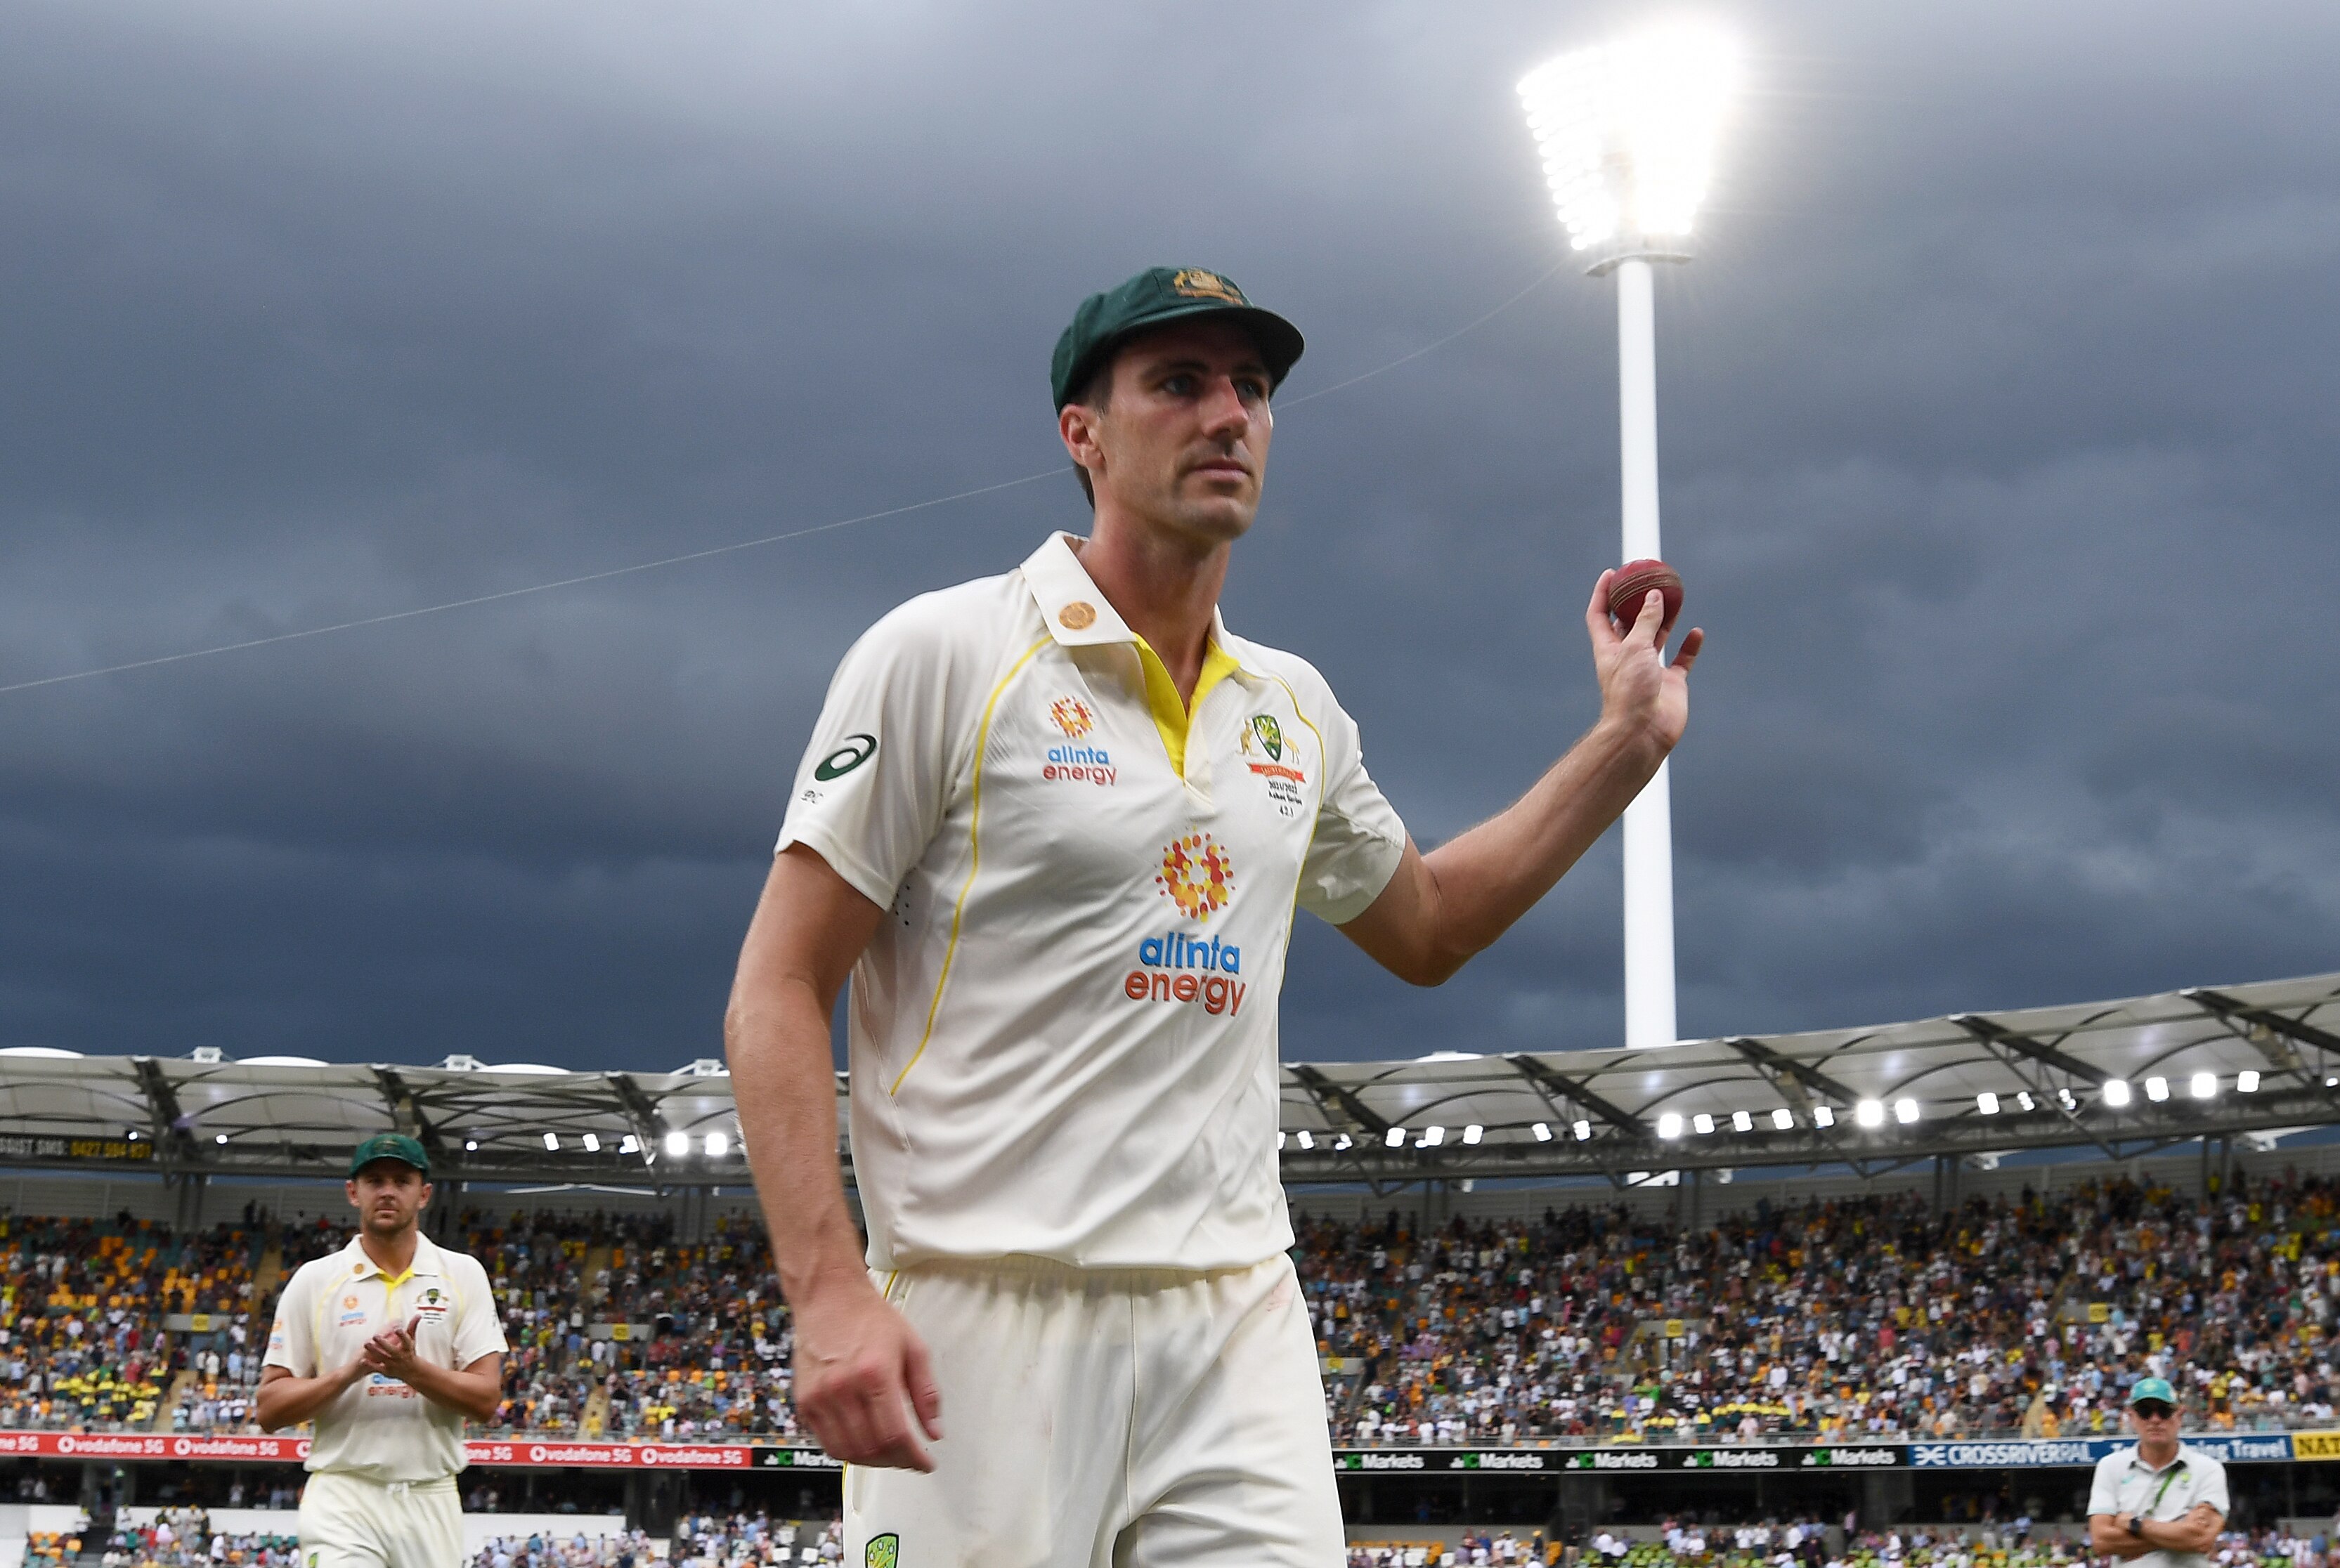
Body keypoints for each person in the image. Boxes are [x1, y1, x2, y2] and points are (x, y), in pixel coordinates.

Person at [727, 264, 1700, 1567]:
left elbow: (1427, 926)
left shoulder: (1290, 707)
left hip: (1236, 1314)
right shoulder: (942, 653)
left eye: (1249, 387)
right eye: (1178, 384)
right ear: (1085, 433)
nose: (1227, 414)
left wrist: (1623, 748)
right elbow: (779, 986)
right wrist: (829, 1288)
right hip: (984, 1312)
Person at [259, 1134, 508, 1568]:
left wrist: (411, 1370)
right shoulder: (314, 1281)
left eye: (402, 1180)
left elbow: (487, 1400)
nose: (388, 1191)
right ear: (353, 1192)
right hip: (342, 1493)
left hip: (430, 1495)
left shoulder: (463, 1275)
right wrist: (350, 1372)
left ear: (424, 1194)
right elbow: (269, 1409)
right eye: (374, 1180)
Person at [2087, 1376, 2228, 1568]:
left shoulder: (2208, 1468)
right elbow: (2102, 1541)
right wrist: (2179, 1533)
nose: (2155, 1420)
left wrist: (2134, 1525)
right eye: (2145, 1412)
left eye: (2164, 1411)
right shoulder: (2110, 1466)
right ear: (2131, 1417)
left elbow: (2201, 1540)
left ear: (2179, 1416)